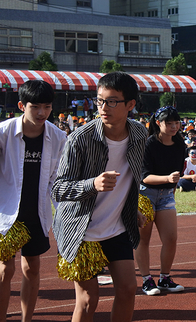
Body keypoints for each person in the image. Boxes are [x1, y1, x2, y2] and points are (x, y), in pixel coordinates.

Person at [52, 72, 147, 322]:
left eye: (112, 101)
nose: (104, 107)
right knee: (87, 300)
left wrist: (131, 207)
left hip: (116, 227)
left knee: (128, 290)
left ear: (130, 105)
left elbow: (131, 177)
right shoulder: (79, 139)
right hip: (80, 229)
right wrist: (92, 184)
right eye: (100, 100)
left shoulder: (139, 135)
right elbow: (59, 188)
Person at [0, 81, 66, 322]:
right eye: (35, 107)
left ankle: (27, 319)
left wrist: (63, 213)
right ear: (21, 106)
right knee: (4, 270)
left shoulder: (58, 137)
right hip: (5, 212)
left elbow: (57, 179)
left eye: (47, 107)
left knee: (32, 267)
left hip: (36, 213)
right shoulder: (4, 133)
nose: (42, 113)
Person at [136, 106, 186, 296]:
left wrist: (170, 188)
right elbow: (144, 177)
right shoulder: (149, 144)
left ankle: (165, 277)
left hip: (166, 195)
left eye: (177, 122)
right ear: (158, 123)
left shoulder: (180, 144)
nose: (174, 127)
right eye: (169, 123)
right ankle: (147, 279)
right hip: (146, 195)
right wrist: (167, 179)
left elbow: (176, 173)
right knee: (143, 239)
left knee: (171, 238)